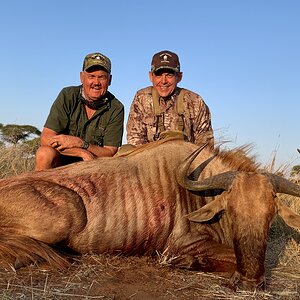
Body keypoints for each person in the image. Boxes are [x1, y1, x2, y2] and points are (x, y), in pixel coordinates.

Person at [35, 52, 124, 171]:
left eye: (102, 77)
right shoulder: (67, 95)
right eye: (91, 76)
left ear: (110, 80)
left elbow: (110, 151)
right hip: (63, 161)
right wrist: (81, 153)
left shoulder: (116, 108)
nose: (96, 82)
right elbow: (46, 138)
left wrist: (83, 144)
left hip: (94, 165)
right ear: (82, 77)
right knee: (44, 154)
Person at [126, 50, 213, 146]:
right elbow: (135, 140)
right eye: (159, 74)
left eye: (169, 75)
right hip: (150, 159)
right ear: (151, 76)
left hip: (186, 159)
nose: (163, 81)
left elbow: (206, 144)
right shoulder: (141, 98)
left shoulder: (195, 101)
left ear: (179, 77)